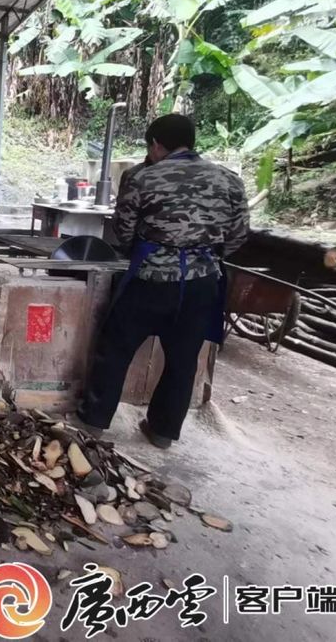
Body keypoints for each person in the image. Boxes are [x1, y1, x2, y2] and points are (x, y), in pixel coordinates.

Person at [76, 114, 249, 449]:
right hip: (201, 284)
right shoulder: (229, 180)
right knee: (183, 360)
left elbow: (123, 231)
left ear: (155, 144)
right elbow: (239, 235)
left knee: (115, 349)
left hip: (150, 279)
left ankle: (94, 420)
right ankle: (162, 432)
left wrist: (154, 251)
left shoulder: (141, 177)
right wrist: (202, 254)